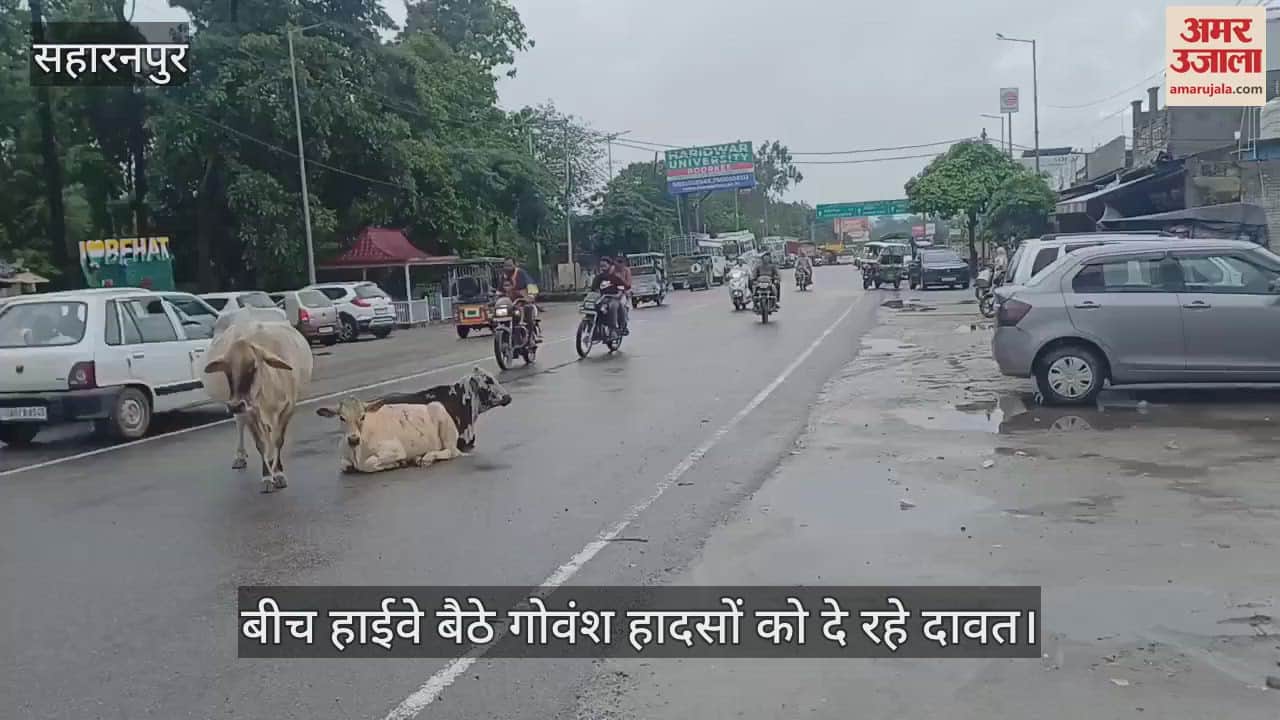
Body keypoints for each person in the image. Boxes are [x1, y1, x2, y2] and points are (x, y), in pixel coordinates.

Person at [500, 257, 540, 341]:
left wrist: (531, 296)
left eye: (510, 265)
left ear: (515, 265)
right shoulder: (504, 276)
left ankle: (531, 337)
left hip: (522, 302)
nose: (508, 267)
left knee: (528, 310)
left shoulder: (521, 273)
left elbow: (531, 285)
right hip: (509, 304)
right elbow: (499, 290)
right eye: (506, 265)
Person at [590, 257, 629, 335]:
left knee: (613, 306)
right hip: (601, 299)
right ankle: (593, 327)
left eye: (605, 265)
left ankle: (614, 328)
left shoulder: (616, 278)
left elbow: (620, 291)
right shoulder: (598, 278)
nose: (603, 268)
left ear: (610, 266)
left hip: (613, 299)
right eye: (601, 266)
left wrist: (617, 295)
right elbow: (594, 290)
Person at [613, 256, 633, 334]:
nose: (618, 267)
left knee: (622, 305)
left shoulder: (627, 271)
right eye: (616, 264)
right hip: (613, 292)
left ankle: (623, 325)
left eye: (620, 264)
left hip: (624, 292)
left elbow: (628, 284)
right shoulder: (613, 270)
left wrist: (620, 279)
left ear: (623, 264)